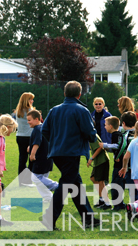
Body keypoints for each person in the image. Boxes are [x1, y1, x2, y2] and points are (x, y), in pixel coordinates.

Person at [40, 81, 101, 230]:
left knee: (75, 184)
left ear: (64, 93)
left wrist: (55, 142)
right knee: (66, 185)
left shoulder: (54, 110)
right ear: (80, 94)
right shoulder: (81, 110)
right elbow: (89, 132)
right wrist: (93, 138)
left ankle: (88, 218)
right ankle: (48, 219)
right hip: (72, 153)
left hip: (56, 153)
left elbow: (44, 130)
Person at [106, 112, 138, 211]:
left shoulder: (125, 134)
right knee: (134, 187)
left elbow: (122, 146)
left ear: (123, 123)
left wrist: (117, 156)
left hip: (123, 165)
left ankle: (118, 205)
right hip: (135, 166)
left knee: (116, 184)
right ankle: (136, 205)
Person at [26, 110, 59, 200]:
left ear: (37, 119)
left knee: (36, 178)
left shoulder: (37, 129)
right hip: (48, 158)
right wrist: (30, 146)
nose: (28, 122)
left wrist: (32, 154)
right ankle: (48, 198)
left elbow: (37, 142)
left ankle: (57, 187)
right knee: (42, 179)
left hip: (41, 159)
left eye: (29, 120)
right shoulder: (43, 127)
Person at [13, 92, 36, 175]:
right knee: (32, 158)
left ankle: (22, 180)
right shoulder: (30, 111)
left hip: (20, 136)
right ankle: (30, 178)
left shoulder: (18, 111)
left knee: (22, 159)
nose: (32, 101)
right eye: (31, 99)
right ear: (27, 100)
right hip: (29, 137)